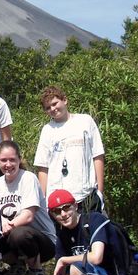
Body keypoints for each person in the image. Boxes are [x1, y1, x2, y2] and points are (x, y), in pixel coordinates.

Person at [0, 141, 56, 275]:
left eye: (12, 159)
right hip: (12, 234)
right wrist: (2, 224)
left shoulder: (28, 179)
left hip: (41, 241)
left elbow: (28, 216)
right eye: (4, 160)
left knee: (19, 233)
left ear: (19, 159)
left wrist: (7, 225)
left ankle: (36, 271)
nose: (8, 164)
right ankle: (17, 265)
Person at [34, 85, 105, 214]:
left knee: (88, 232)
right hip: (57, 199)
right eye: (48, 108)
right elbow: (43, 167)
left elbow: (98, 155)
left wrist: (100, 191)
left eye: (55, 104)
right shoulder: (47, 130)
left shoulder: (85, 121)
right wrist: (43, 199)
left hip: (85, 195)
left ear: (65, 100)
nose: (53, 109)